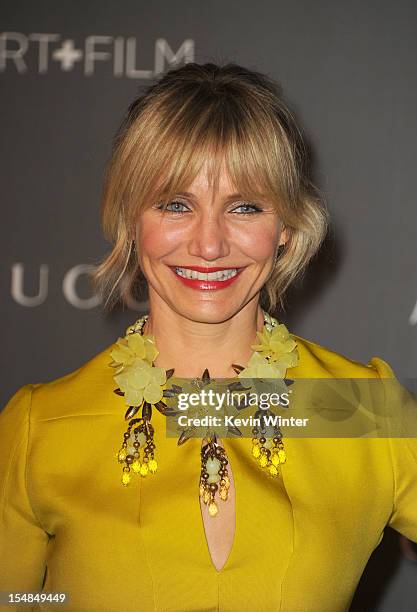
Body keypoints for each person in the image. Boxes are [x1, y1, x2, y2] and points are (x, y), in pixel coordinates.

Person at [0, 62, 416, 612]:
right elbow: (16, 599)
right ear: (131, 216)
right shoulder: (44, 427)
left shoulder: (360, 410)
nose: (210, 245)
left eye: (245, 207)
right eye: (176, 204)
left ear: (285, 227)